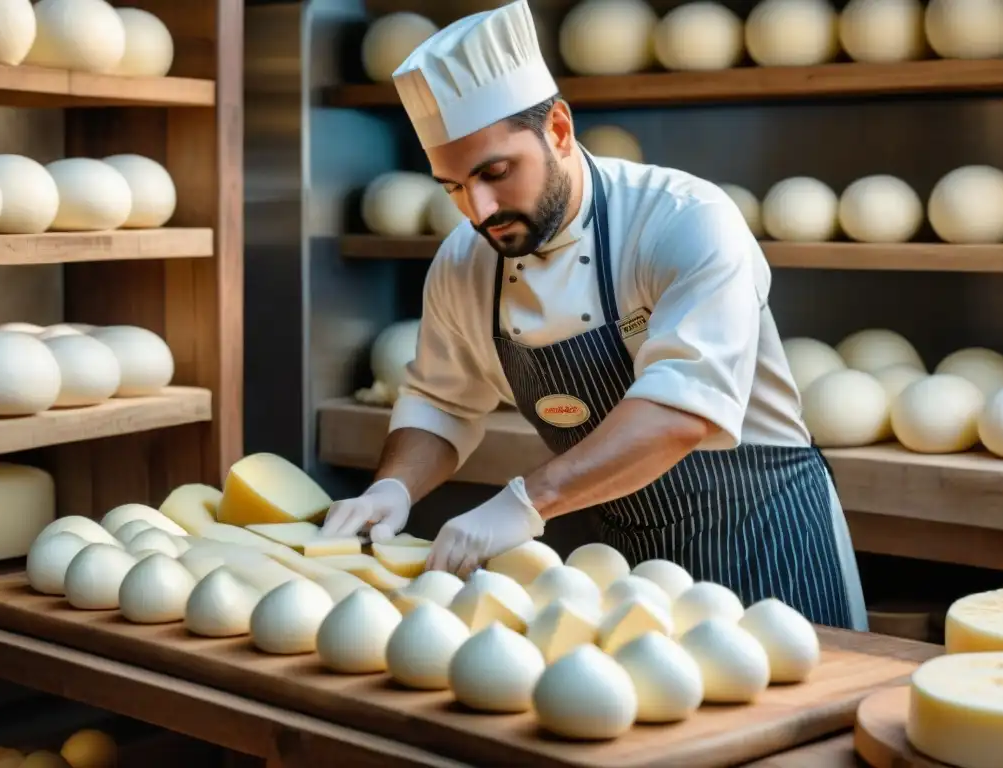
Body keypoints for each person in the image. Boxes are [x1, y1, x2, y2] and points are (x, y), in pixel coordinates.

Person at [322, 0, 868, 630]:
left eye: (496, 172)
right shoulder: (464, 261)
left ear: (558, 129)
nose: (479, 208)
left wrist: (525, 502)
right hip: (624, 558)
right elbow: (442, 402)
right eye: (452, 187)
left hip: (765, 540)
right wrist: (392, 489)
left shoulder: (682, 220)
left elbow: (680, 412)